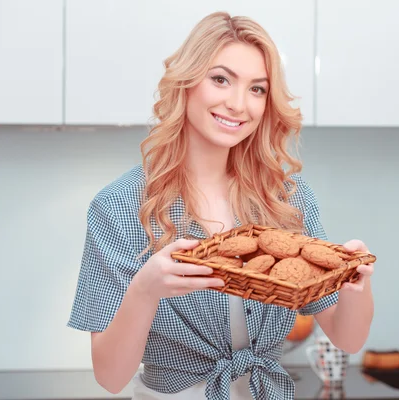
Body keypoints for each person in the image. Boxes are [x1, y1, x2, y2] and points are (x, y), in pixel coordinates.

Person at [67, 11, 374, 400]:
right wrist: (145, 291)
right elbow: (110, 377)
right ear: (188, 82)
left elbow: (348, 339)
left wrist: (354, 284)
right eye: (221, 79)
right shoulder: (121, 207)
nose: (238, 104)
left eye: (257, 89)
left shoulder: (285, 200)